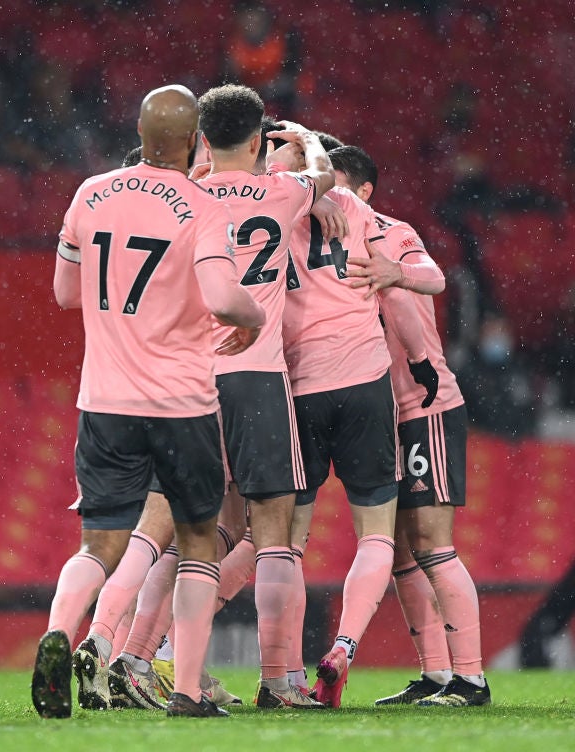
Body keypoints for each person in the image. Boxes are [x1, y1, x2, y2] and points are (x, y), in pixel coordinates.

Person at [31, 84, 266, 720]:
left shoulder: (89, 193)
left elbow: (63, 293)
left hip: (104, 399)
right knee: (196, 542)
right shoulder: (201, 205)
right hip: (181, 404)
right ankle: (187, 692)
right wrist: (255, 318)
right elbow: (223, 298)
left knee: (98, 545)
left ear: (139, 132)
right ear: (194, 141)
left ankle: (58, 631)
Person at [332, 144, 491, 707]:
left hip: (426, 405)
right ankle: (436, 674)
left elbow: (433, 277)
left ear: (364, 191)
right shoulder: (324, 243)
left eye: (335, 180)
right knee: (399, 551)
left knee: (431, 544)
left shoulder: (389, 231)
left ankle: (471, 678)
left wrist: (395, 272)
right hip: (379, 413)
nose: (323, 190)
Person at [278, 134, 432, 708]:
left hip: (299, 386)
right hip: (366, 383)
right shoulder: (361, 210)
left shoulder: (271, 207)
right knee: (377, 535)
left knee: (286, 543)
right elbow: (417, 284)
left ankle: (286, 675)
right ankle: (344, 645)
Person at [194, 85, 335, 710]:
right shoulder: (283, 193)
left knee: (190, 536)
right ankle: (280, 680)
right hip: (256, 373)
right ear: (257, 141)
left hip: (189, 382)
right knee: (274, 533)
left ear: (203, 138)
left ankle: (160, 666)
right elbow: (324, 174)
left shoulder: (186, 196)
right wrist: (300, 139)